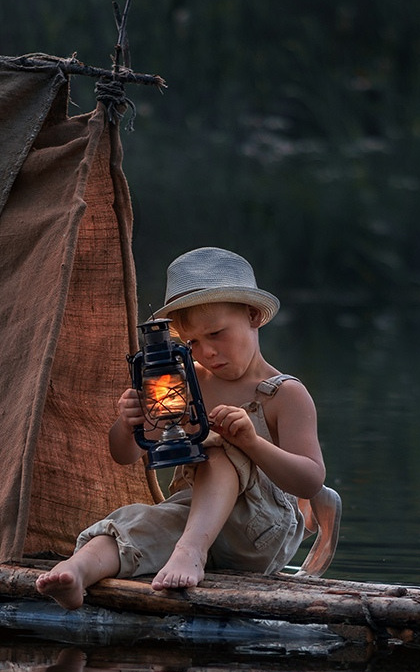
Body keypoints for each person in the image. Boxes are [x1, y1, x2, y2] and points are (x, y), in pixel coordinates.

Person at [35, 248, 325, 608]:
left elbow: (310, 481)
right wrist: (129, 424)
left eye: (216, 334)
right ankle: (75, 573)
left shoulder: (284, 394)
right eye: (192, 343)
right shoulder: (184, 384)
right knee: (135, 524)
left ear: (253, 316)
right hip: (192, 519)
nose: (207, 353)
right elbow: (126, 455)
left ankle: (191, 550)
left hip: (259, 531)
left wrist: (252, 442)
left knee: (219, 448)